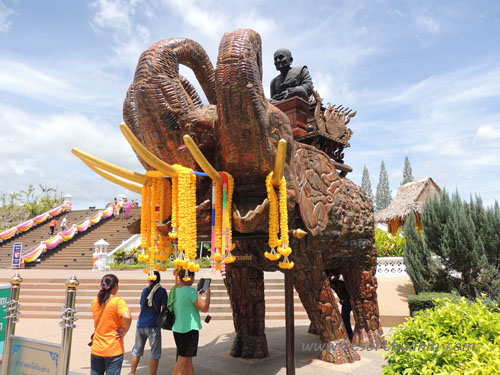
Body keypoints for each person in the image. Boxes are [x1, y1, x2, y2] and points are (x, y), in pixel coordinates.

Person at [171, 269, 211, 375]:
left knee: (187, 360)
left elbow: (185, 302)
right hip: (189, 331)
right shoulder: (191, 291)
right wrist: (209, 293)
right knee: (182, 361)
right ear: (190, 277)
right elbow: (204, 308)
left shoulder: (174, 290)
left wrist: (197, 296)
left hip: (177, 329)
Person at [90, 274, 132, 375]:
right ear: (115, 286)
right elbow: (128, 316)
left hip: (97, 348)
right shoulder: (118, 301)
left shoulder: (95, 301)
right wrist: (125, 330)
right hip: (113, 347)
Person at [130, 271, 168, 375]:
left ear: (150, 279)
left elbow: (141, 304)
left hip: (141, 324)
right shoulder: (162, 291)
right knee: (155, 353)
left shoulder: (144, 291)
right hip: (153, 325)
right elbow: (164, 308)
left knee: (136, 350)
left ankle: (132, 373)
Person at [330, 275, 353, 341]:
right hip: (345, 301)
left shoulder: (340, 284)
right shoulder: (334, 286)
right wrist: (341, 299)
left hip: (349, 301)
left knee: (345, 317)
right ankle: (348, 334)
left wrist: (346, 299)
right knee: (344, 317)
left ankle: (350, 335)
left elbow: (347, 293)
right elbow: (341, 294)